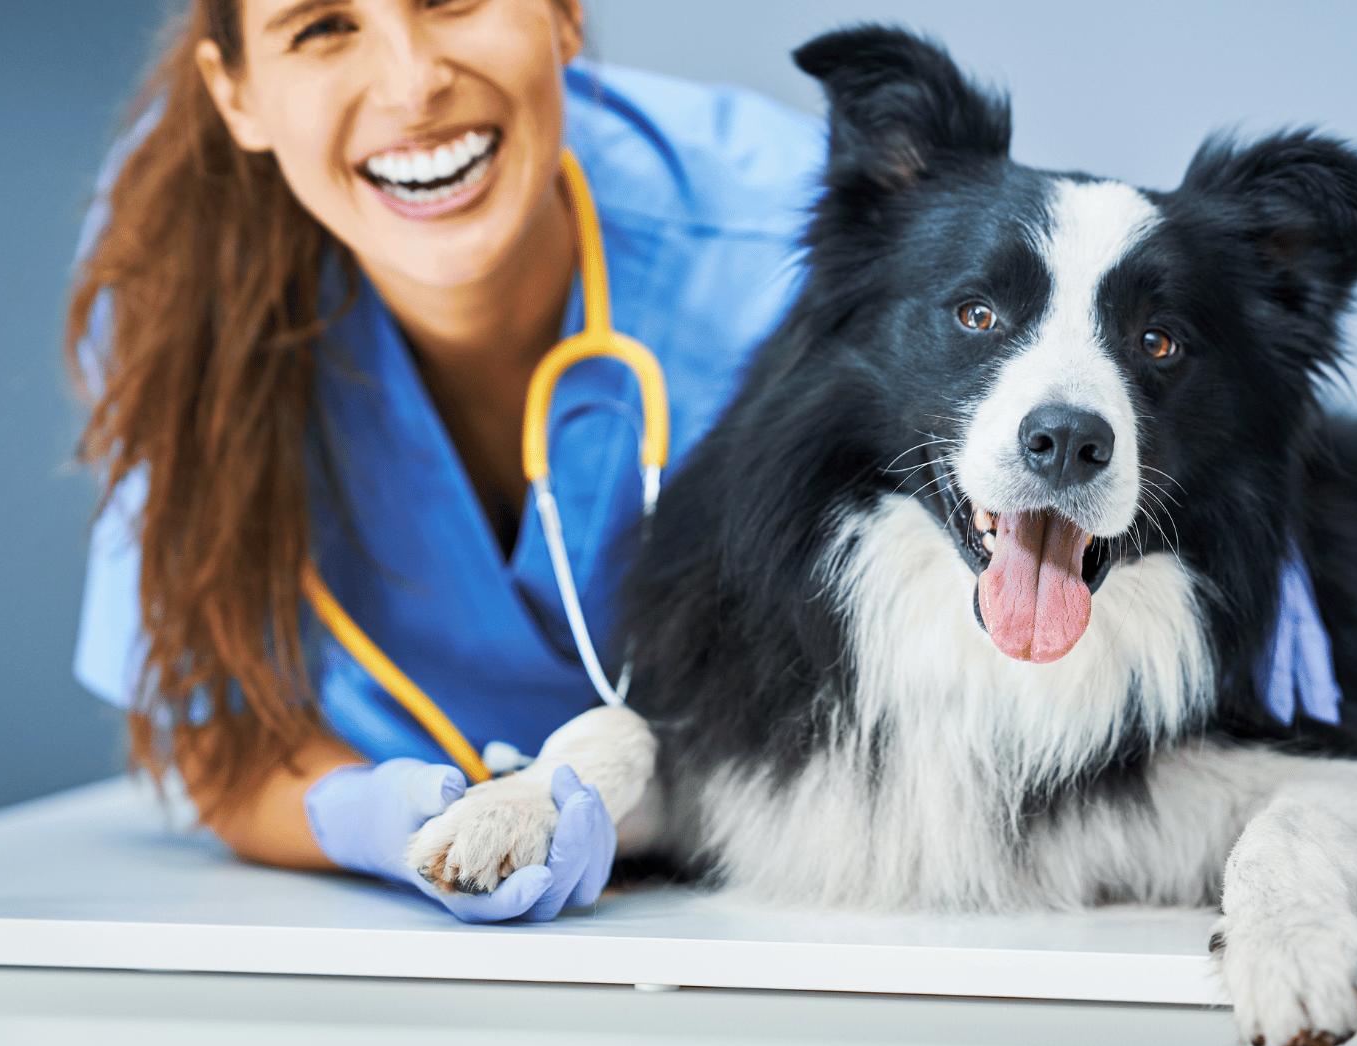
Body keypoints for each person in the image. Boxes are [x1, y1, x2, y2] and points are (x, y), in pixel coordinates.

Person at [68, 0, 823, 921]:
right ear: (237, 98)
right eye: (321, 27)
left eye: (450, 0)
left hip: (771, 883)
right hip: (406, 932)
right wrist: (379, 827)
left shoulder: (811, 252)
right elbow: (221, 732)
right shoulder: (174, 279)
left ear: (565, 16)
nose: (412, 82)